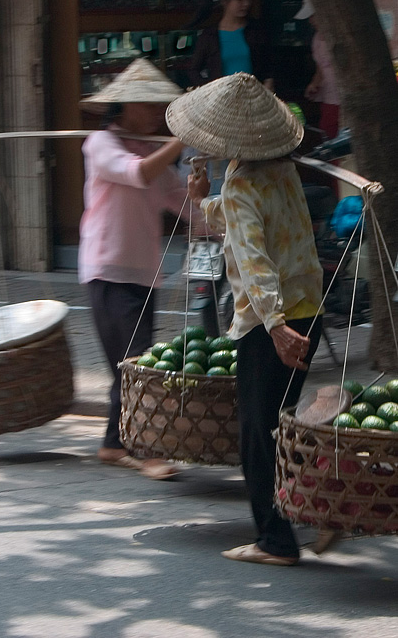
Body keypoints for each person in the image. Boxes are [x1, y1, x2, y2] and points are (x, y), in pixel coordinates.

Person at [166, 73, 324, 565]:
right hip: (310, 309)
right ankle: (314, 510)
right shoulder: (280, 168)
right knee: (283, 425)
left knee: (259, 433)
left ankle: (275, 540)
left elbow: (253, 260)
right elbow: (244, 214)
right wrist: (202, 199)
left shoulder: (242, 182)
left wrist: (275, 326)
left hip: (270, 323)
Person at [79, 58, 188, 480]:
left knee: (129, 364)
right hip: (108, 270)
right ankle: (145, 448)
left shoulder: (151, 151)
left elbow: (181, 203)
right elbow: (138, 175)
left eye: (160, 107)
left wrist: (228, 225)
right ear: (124, 106)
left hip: (144, 272)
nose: (155, 114)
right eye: (147, 105)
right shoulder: (101, 143)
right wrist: (179, 144)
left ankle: (113, 443)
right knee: (135, 363)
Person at [189, 0, 274, 90]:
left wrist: (268, 85)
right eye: (240, 0)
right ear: (225, 2)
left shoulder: (255, 31)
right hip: (222, 96)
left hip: (252, 96)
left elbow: (268, 65)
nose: (246, 4)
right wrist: (208, 89)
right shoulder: (210, 36)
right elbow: (194, 69)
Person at [295, 0, 340, 139]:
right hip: (328, 99)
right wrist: (314, 84)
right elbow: (320, 69)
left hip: (342, 100)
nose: (310, 21)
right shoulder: (316, 39)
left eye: (312, 16)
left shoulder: (340, 37)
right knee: (327, 132)